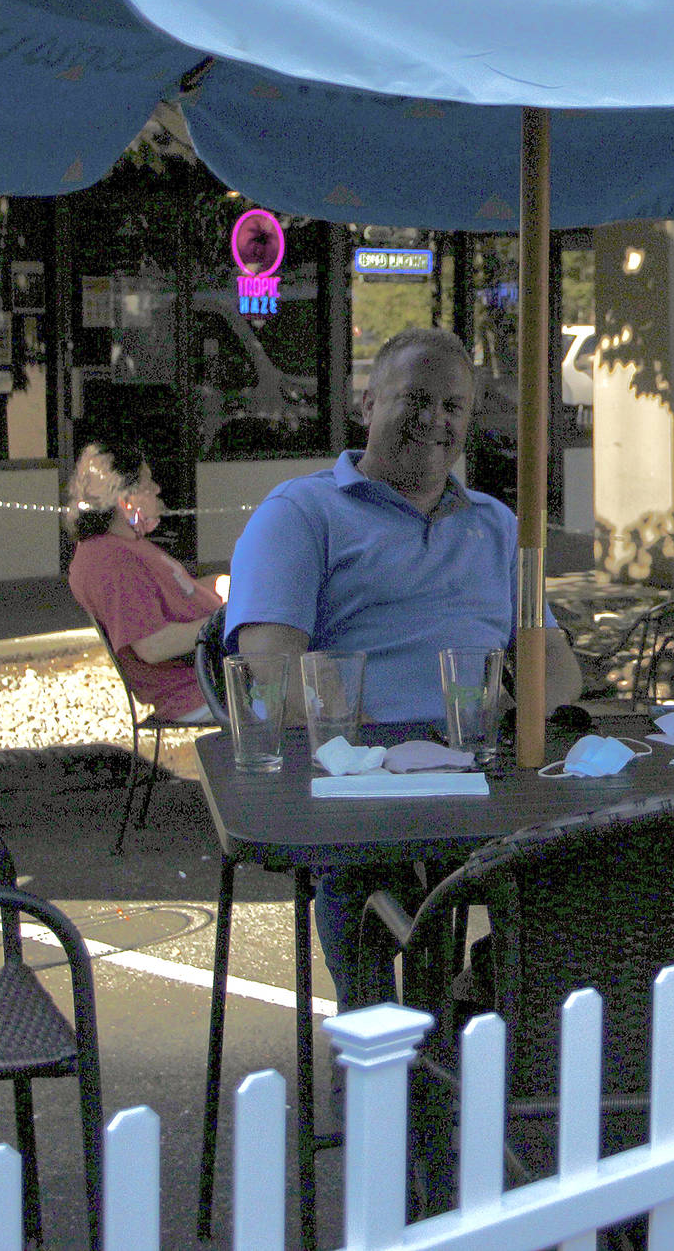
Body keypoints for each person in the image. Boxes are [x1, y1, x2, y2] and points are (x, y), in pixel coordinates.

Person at [225, 326, 583, 1007]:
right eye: (414, 398)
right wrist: (378, 748)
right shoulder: (300, 514)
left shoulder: (500, 525)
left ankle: (483, 1010)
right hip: (363, 782)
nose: (434, 420)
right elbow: (268, 674)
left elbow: (560, 670)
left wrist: (511, 715)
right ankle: (380, 1051)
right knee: (373, 884)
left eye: (453, 406)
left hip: (487, 769)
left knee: (593, 861)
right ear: (366, 403)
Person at [65, 439, 226, 723]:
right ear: (124, 498)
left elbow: (174, 595)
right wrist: (227, 618)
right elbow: (152, 646)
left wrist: (218, 586)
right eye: (148, 483)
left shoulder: (123, 545)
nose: (156, 490)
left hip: (213, 674)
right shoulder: (111, 561)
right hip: (201, 689)